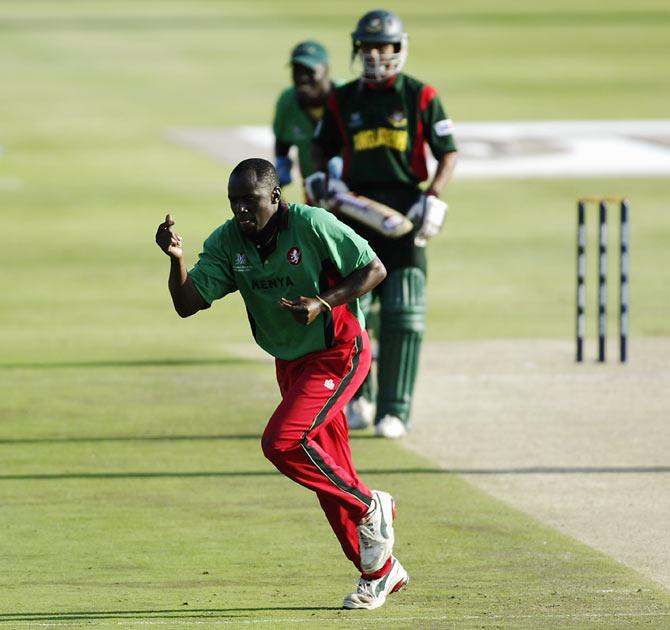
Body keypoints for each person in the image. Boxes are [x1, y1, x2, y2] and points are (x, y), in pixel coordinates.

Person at [154, 158, 408, 610]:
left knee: (283, 442)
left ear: (274, 196)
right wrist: (176, 262)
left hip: (338, 351)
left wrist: (323, 302)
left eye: (249, 201)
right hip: (291, 364)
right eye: (234, 203)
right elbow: (188, 303)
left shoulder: (312, 224)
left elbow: (374, 270)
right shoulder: (227, 241)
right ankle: (380, 573)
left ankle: (371, 506)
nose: (241, 212)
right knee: (329, 473)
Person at [312, 9, 458, 439]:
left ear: (400, 47)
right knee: (352, 310)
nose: (376, 55)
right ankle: (358, 399)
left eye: (384, 47)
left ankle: (396, 409)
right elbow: (321, 147)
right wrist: (321, 176)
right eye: (368, 47)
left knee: (403, 311)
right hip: (356, 211)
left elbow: (447, 151)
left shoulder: (420, 95)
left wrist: (433, 195)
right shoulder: (342, 98)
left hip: (405, 212)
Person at [273, 40, 337, 191]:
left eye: (309, 70)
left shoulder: (346, 97)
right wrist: (281, 167)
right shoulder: (287, 101)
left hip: (350, 189)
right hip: (311, 187)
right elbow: (282, 141)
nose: (302, 77)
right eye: (297, 70)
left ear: (326, 70)